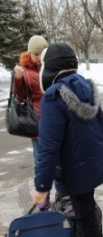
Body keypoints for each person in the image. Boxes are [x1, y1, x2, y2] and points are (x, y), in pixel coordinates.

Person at [32, 43, 103, 237]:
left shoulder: (53, 96)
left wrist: (42, 187)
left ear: (50, 67)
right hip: (91, 165)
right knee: (86, 210)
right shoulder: (87, 88)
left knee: (85, 215)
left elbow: (48, 147)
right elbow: (102, 130)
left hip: (74, 171)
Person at [13, 35, 49, 210]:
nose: (38, 57)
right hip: (37, 122)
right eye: (35, 54)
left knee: (58, 160)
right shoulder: (25, 71)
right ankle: (43, 198)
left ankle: (63, 196)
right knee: (41, 161)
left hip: (54, 118)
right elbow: (20, 98)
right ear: (30, 53)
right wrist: (18, 79)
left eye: (41, 53)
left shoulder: (50, 66)